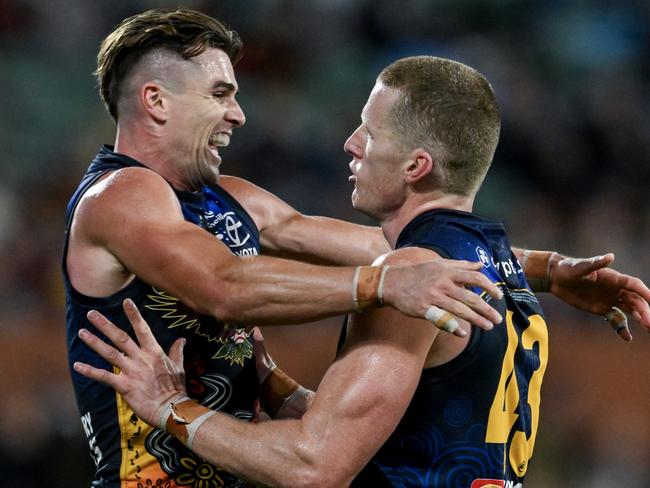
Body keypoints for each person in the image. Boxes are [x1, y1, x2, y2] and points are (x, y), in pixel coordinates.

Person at [74, 56, 650, 487]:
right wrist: (548, 268)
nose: (350, 144)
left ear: (415, 166)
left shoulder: (414, 282)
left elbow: (316, 464)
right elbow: (382, 438)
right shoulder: (487, 259)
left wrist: (173, 409)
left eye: (368, 133)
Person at [64, 9, 515, 488]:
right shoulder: (119, 196)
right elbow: (224, 286)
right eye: (220, 95)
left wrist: (544, 268)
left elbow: (398, 248)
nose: (237, 114)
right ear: (155, 100)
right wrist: (384, 282)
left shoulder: (231, 197)